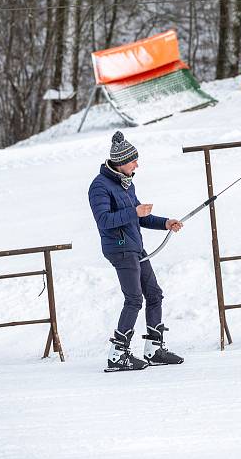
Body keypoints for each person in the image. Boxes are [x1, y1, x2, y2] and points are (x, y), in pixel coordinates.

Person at [88, 131, 185, 372]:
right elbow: (104, 220)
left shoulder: (126, 184)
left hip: (135, 247)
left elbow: (141, 216)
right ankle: (117, 355)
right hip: (119, 249)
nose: (137, 165)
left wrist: (165, 223)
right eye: (133, 161)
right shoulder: (99, 187)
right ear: (121, 162)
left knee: (154, 294)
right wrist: (135, 213)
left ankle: (154, 349)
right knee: (133, 299)